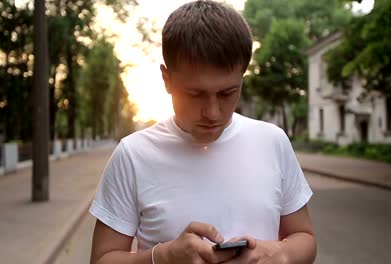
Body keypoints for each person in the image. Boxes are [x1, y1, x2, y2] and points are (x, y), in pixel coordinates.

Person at [89, 1, 317, 263]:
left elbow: (305, 237)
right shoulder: (132, 155)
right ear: (167, 80)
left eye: (227, 93)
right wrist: (162, 257)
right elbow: (101, 259)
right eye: (195, 94)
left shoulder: (273, 141)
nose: (213, 113)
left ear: (242, 77)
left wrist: (279, 255)